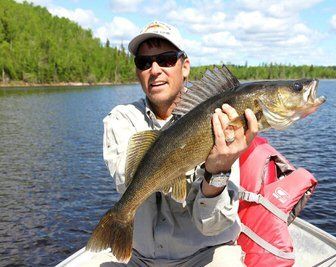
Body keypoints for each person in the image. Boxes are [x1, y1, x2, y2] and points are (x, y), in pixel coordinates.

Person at [102, 21, 258, 266]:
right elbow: (126, 182)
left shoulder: (222, 118)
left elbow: (213, 226)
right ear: (137, 72)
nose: (154, 70)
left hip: (206, 255)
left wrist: (217, 172)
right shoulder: (121, 120)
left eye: (165, 59)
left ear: (185, 67)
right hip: (141, 259)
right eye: (144, 63)